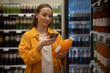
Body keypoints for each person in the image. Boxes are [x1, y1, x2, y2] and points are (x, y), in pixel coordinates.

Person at [19, 3, 67, 73]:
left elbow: (60, 62)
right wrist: (40, 45)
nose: (47, 18)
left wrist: (62, 56)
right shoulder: (27, 36)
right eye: (44, 15)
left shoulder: (57, 35)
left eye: (50, 16)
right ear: (36, 15)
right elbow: (26, 60)